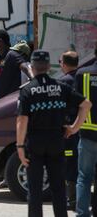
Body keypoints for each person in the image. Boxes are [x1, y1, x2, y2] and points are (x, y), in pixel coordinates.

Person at [16, 50, 91, 217]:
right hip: (57, 141)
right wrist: (74, 127)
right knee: (58, 188)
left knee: (35, 190)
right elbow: (86, 104)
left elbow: (22, 120)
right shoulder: (61, 87)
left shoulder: (28, 90)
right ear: (49, 67)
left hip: (35, 143)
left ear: (32, 67)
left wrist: (20, 145)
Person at [72, 43, 97, 217]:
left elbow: (75, 104)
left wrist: (73, 127)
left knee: (84, 177)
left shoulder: (82, 73)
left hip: (87, 134)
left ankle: (82, 214)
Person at [58, 51, 80, 210]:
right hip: (81, 128)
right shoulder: (81, 77)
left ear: (63, 64)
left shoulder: (63, 82)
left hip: (68, 130)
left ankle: (71, 200)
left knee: (69, 163)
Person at [0, 29, 33, 101]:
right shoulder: (0, 57)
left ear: (0, 41)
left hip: (9, 101)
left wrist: (35, 79)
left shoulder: (11, 55)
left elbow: (26, 67)